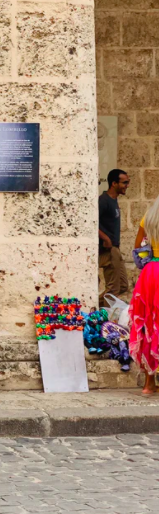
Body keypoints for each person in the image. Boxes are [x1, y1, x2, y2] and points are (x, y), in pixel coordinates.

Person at [130, 197, 159, 396]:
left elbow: (138, 248)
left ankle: (149, 384)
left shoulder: (148, 218)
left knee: (149, 323)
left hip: (151, 273)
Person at [99, 169, 130, 306]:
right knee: (113, 289)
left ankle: (93, 304)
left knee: (123, 286)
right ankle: (103, 318)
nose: (127, 185)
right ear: (114, 183)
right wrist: (105, 238)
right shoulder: (104, 201)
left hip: (115, 249)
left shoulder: (114, 200)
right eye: (124, 182)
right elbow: (90, 222)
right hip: (109, 250)